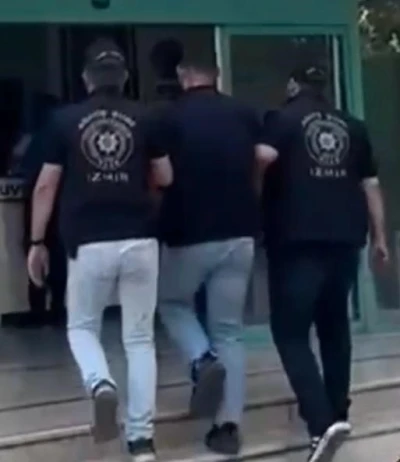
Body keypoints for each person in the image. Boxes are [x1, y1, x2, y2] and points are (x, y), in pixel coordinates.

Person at [26, 38, 172, 461]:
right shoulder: (146, 117)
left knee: (82, 327)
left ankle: (100, 383)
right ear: (124, 78)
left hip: (88, 242)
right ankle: (141, 441)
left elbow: (46, 186)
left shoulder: (62, 121)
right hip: (140, 238)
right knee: (139, 339)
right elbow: (165, 176)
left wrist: (36, 242)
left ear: (86, 79)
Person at [262, 65, 389, 462]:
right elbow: (370, 186)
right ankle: (338, 413)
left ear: (293, 85)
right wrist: (380, 238)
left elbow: (262, 158)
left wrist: (253, 203)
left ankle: (321, 424)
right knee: (335, 329)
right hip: (346, 240)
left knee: (290, 332)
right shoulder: (354, 127)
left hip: (297, 240)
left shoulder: (282, 120)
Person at [153, 59, 277, 455]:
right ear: (216, 76)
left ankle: (201, 359)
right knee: (229, 329)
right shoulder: (244, 114)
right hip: (240, 231)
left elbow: (159, 175)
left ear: (183, 77)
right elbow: (263, 159)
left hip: (189, 231)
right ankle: (228, 427)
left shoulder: (168, 117)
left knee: (172, 302)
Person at [20, 93, 67, 327]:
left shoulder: (35, 139)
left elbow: (25, 169)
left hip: (36, 203)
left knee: (35, 254)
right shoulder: (64, 135)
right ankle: (58, 308)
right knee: (59, 258)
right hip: (62, 204)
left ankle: (37, 310)